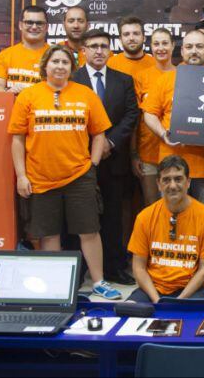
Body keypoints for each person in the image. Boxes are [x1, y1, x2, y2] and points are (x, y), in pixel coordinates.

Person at [7, 44, 121, 300]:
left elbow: (99, 132)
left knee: (89, 230)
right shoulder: (29, 96)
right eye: (55, 61)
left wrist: (92, 165)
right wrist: (22, 176)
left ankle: (99, 282)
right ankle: (55, 285)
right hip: (40, 178)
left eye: (65, 62)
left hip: (79, 176)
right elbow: (17, 139)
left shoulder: (86, 94)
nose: (60, 66)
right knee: (49, 234)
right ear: (45, 65)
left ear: (72, 67)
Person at [73, 29, 139, 285]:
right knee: (79, 217)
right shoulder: (72, 79)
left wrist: (109, 142)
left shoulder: (124, 80)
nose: (99, 50)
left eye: (103, 46)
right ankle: (78, 271)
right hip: (80, 161)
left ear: (111, 50)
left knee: (113, 216)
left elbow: (131, 115)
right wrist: (92, 147)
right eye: (93, 46)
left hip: (114, 160)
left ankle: (114, 267)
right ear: (84, 50)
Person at [143, 30, 204, 212]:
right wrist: (163, 133)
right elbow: (149, 113)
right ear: (182, 51)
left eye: (199, 46)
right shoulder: (166, 79)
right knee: (171, 224)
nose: (194, 51)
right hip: (172, 168)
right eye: (189, 47)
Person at [126, 155, 204, 302]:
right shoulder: (144, 217)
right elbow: (138, 268)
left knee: (193, 319)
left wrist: (178, 302)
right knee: (129, 310)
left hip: (192, 290)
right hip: (153, 289)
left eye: (178, 179)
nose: (172, 185)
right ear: (158, 184)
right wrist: (157, 300)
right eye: (166, 180)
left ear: (188, 182)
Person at [132, 28, 175, 206]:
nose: (161, 48)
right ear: (150, 47)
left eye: (165, 43)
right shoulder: (142, 77)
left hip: (175, 152)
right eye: (156, 44)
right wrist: (133, 154)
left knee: (172, 205)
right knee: (151, 205)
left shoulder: (184, 75)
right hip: (147, 153)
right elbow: (135, 120)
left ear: (173, 46)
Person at [0, 5, 49, 94]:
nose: (34, 27)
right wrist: (9, 94)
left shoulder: (55, 55)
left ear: (46, 27)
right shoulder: (5, 55)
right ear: (20, 25)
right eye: (29, 22)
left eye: (39, 23)